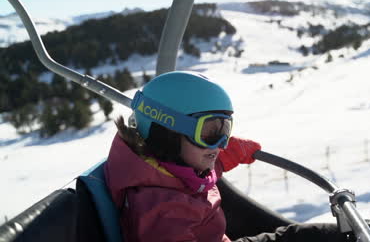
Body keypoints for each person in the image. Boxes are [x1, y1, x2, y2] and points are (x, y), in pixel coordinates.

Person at [104, 71, 352, 242]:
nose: (221, 143)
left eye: (224, 129)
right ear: (166, 132)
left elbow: (204, 165)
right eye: (210, 132)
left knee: (306, 236)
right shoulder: (162, 210)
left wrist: (229, 153)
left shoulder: (177, 169)